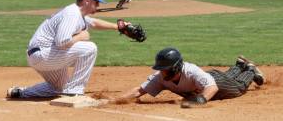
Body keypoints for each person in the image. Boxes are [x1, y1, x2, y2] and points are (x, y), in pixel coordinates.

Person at [6, 0, 129, 98]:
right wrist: (81, 37)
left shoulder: (77, 13)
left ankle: (20, 92)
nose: (98, 6)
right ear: (87, 1)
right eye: (96, 3)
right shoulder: (72, 14)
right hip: (43, 55)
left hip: (42, 56)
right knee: (89, 48)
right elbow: (62, 42)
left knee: (58, 88)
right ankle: (74, 92)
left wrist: (118, 27)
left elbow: (94, 23)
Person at [112, 47, 265, 107]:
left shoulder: (191, 71)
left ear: (176, 67)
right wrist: (114, 100)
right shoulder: (160, 77)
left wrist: (200, 100)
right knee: (228, 76)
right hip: (208, 78)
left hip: (216, 83)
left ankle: (250, 70)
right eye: (161, 69)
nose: (162, 72)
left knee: (238, 87)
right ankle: (239, 65)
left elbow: (212, 88)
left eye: (166, 69)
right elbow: (139, 90)